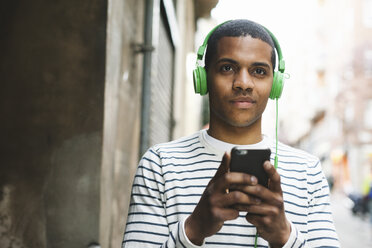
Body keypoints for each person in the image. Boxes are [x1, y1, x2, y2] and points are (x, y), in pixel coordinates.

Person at [122, 19, 340, 247]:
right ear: (203, 79)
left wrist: (285, 237)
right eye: (227, 68)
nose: (243, 83)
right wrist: (193, 230)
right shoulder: (159, 164)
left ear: (275, 84)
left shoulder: (308, 172)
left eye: (258, 71)